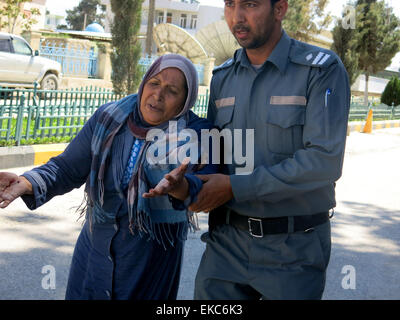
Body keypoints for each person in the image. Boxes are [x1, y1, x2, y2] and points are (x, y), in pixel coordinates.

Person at [0, 54, 217, 300]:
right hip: (94, 251)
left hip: (147, 262)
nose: (158, 95)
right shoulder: (110, 117)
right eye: (154, 83)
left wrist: (183, 187)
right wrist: (27, 182)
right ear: (144, 83)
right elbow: (67, 167)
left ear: (184, 101)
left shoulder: (196, 133)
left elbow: (207, 180)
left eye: (172, 90)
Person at [190, 0, 351, 300]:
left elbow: (324, 161)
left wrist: (235, 188)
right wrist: (188, 181)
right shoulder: (223, 78)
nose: (237, 16)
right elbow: (216, 154)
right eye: (229, 4)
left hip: (293, 251)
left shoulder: (320, 70)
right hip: (225, 248)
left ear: (280, 9)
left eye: (249, 4)